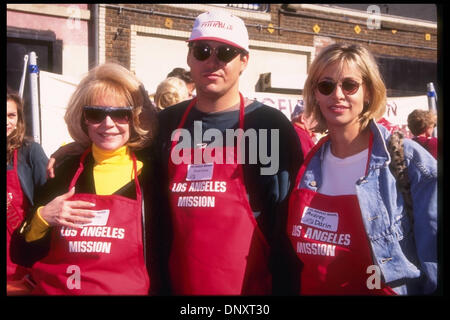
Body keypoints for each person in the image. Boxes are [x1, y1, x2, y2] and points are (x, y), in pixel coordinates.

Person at [153, 10, 303, 295]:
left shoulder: (269, 127)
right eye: (203, 50)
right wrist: (74, 152)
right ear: (189, 57)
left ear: (244, 60)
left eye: (226, 53)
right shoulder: (166, 123)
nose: (213, 61)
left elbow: (287, 225)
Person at [286, 43, 437, 295]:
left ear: (367, 92)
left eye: (349, 85)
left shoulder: (407, 160)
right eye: (326, 86)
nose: (337, 94)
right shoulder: (308, 163)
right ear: (316, 94)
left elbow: (434, 261)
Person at [10, 62, 158, 295]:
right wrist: (42, 218)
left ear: (135, 118)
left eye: (120, 114)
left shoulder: (153, 176)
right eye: (96, 114)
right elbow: (22, 253)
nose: (108, 124)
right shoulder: (63, 172)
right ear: (83, 119)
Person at [7, 88, 48, 294]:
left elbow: (47, 199)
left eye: (11, 115)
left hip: (22, 258)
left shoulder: (30, 151)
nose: (7, 121)